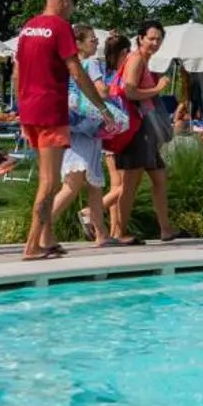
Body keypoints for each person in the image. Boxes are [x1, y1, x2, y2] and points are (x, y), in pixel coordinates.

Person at [16, 0, 113, 262]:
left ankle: (46, 238)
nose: (73, 7)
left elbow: (18, 71)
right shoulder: (59, 28)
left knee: (51, 178)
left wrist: (21, 108)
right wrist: (101, 106)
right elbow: (77, 71)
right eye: (74, 1)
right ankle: (32, 244)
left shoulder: (28, 27)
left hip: (30, 110)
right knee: (49, 182)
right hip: (50, 112)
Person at [111, 19, 181, 245]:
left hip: (146, 131)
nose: (155, 43)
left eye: (159, 39)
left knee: (160, 178)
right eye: (151, 38)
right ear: (140, 38)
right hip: (137, 130)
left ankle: (166, 229)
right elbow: (129, 92)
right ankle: (117, 230)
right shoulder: (137, 59)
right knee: (130, 182)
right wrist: (158, 89)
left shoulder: (143, 61)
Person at [50, 21, 116, 249]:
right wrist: (111, 98)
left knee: (94, 184)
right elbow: (102, 91)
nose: (96, 44)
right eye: (92, 40)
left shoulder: (66, 65)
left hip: (72, 125)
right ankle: (41, 227)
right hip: (88, 128)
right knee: (74, 183)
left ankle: (101, 232)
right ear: (78, 43)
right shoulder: (91, 64)